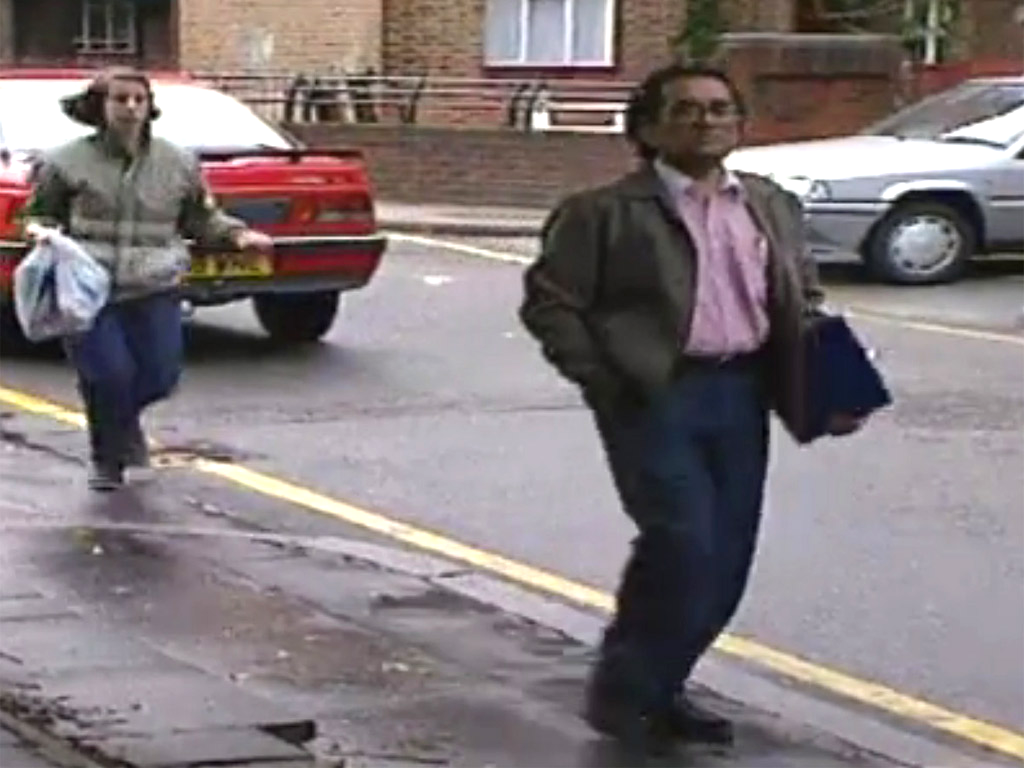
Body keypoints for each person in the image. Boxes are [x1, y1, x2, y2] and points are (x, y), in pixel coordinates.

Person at [519, 64, 861, 755]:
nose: (704, 121)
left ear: (739, 124)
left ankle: (663, 685)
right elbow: (551, 304)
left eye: (718, 109)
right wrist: (604, 381)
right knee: (682, 546)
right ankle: (624, 698)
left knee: (727, 559)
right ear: (647, 129)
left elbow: (802, 296)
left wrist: (838, 386)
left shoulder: (769, 202)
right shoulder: (602, 212)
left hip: (743, 392)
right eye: (684, 110)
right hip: (656, 395)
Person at [23, 67, 273, 491]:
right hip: (89, 288)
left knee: (160, 376)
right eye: (120, 99)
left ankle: (123, 425)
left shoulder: (177, 162)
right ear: (100, 107)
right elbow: (40, 212)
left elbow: (200, 217)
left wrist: (237, 235)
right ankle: (107, 458)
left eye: (138, 100)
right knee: (107, 374)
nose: (131, 108)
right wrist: (40, 232)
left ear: (150, 107)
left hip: (155, 285)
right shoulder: (64, 161)